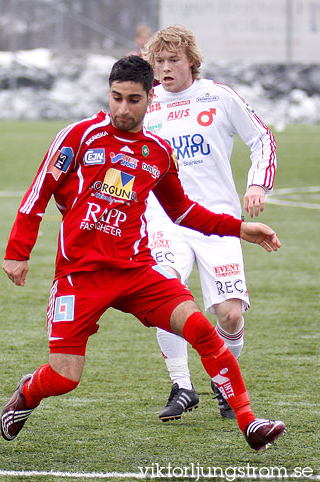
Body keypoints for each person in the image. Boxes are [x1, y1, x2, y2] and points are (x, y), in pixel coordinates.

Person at [0, 55, 285, 452]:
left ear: (150, 98)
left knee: (201, 327)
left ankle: (249, 422)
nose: (122, 108)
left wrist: (239, 228)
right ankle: (27, 393)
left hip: (136, 272)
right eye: (116, 97)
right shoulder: (79, 136)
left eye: (133, 100)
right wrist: (19, 251)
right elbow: (38, 194)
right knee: (65, 377)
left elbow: (184, 211)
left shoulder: (157, 153)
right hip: (80, 276)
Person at [141, 24, 278, 422]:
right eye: (159, 62)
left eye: (173, 61)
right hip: (165, 219)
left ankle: (221, 380)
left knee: (230, 314)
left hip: (217, 220)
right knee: (165, 291)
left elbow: (262, 139)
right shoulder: (146, 104)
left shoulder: (218, 96)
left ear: (191, 62)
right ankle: (182, 385)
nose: (165, 69)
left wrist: (257, 185)